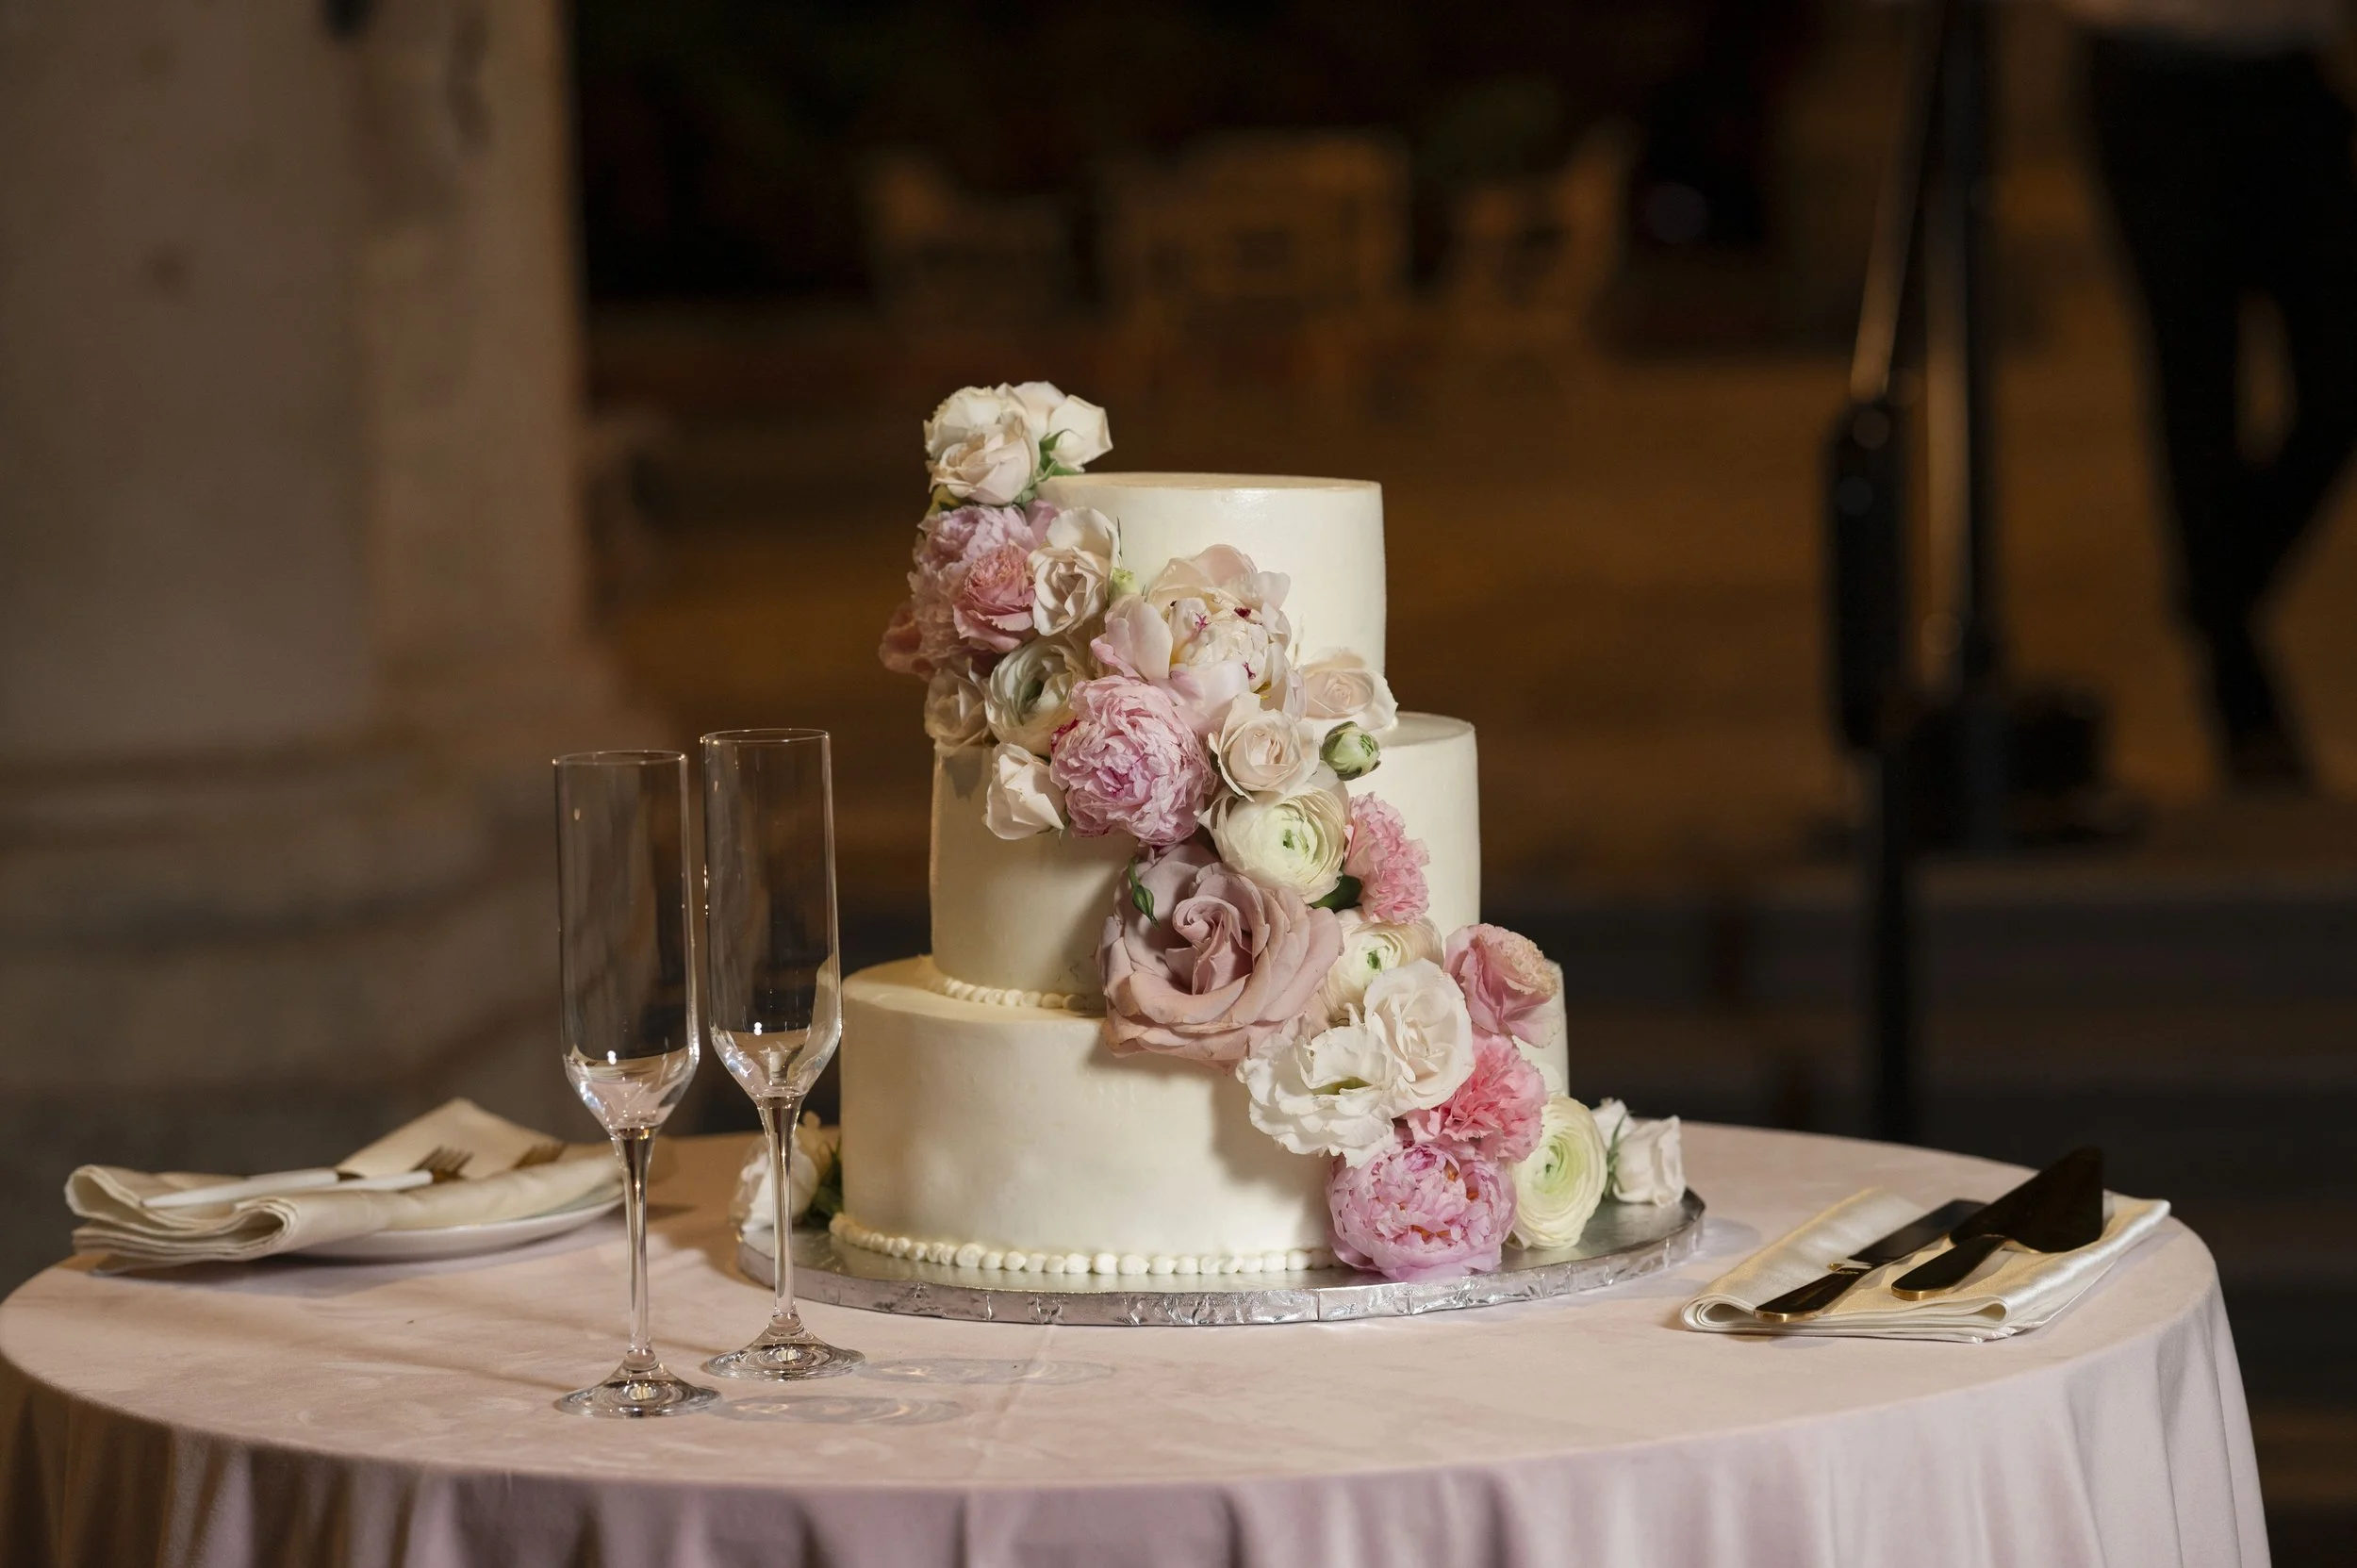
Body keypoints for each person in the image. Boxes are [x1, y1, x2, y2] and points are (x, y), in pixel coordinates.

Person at [2070, 0, 2357, 788]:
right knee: (2197, 380)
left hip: (2291, 74)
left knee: (2339, 376)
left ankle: (2215, 591)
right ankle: (2239, 688)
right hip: (2155, 69)